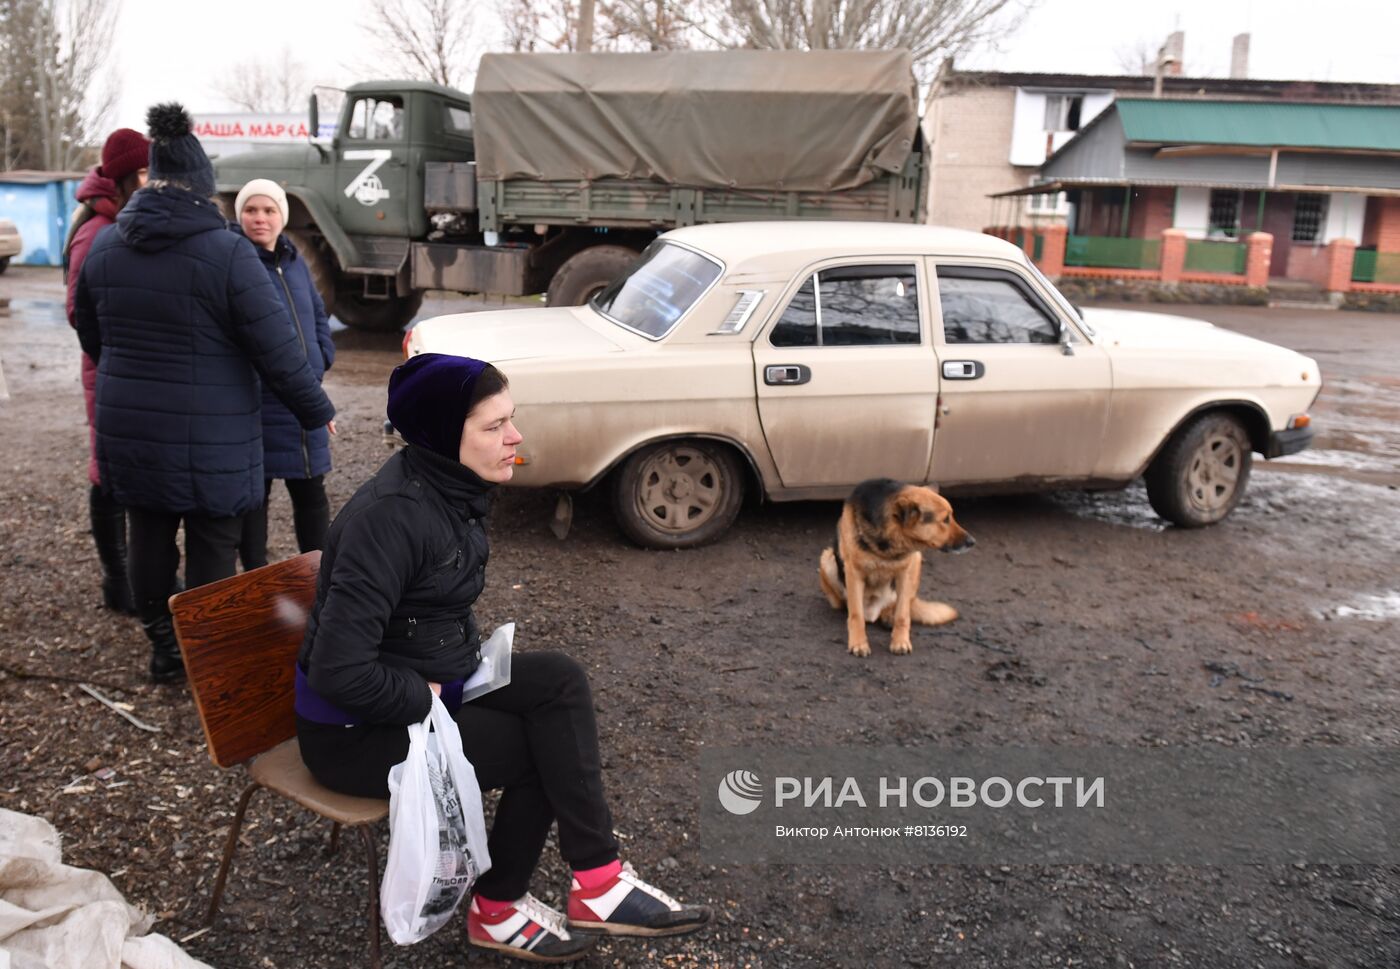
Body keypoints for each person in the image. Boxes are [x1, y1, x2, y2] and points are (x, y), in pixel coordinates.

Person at [296, 353, 710, 963]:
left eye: (511, 419)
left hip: (428, 681)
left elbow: (429, 609)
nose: (514, 436)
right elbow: (339, 671)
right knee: (538, 749)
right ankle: (497, 909)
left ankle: (597, 880)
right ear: (441, 435)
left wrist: (458, 666)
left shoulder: (451, 488)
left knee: (558, 683)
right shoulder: (390, 519)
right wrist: (425, 697)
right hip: (354, 733)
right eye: (493, 427)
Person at [74, 103, 335, 684]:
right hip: (215, 435)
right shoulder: (228, 253)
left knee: (148, 532)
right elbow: (278, 351)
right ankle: (208, 659)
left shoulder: (108, 246)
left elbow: (89, 331)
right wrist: (316, 409)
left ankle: (165, 652)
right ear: (202, 187)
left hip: (131, 428)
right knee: (214, 543)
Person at [63, 127, 150, 615]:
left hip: (122, 367)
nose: (149, 179)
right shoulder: (95, 232)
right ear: (121, 179)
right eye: (141, 171)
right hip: (107, 369)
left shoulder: (120, 223)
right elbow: (79, 312)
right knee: (107, 475)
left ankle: (130, 577)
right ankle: (118, 582)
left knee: (124, 471)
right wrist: (120, 351)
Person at [232, 179, 336, 571]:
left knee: (311, 490)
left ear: (282, 216)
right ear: (240, 216)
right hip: (262, 404)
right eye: (251, 210)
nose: (260, 218)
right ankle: (256, 578)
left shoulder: (294, 261)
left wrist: (323, 355)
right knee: (256, 497)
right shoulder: (237, 263)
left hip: (304, 398)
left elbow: (318, 313)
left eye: (269, 210)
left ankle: (319, 576)